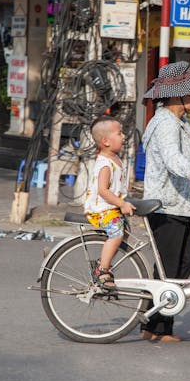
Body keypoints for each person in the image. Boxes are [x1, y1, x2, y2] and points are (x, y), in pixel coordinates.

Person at [140, 61, 190, 342]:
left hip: (178, 203)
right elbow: (174, 160)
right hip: (165, 203)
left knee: (181, 260)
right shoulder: (164, 123)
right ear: (176, 95)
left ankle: (151, 322)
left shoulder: (179, 123)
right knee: (171, 266)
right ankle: (159, 329)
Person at [84, 116, 136, 289]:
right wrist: (121, 204)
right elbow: (103, 190)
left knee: (124, 231)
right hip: (101, 209)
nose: (123, 137)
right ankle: (102, 269)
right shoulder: (105, 164)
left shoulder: (115, 159)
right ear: (105, 141)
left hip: (111, 207)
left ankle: (102, 261)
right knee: (117, 234)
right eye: (119, 133)